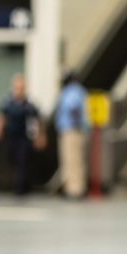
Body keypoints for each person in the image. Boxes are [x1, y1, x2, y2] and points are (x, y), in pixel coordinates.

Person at [0, 73, 43, 196]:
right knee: (12, 158)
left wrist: (40, 136)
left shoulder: (29, 105)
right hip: (11, 136)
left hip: (23, 137)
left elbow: (38, 120)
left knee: (22, 160)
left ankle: (21, 187)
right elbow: (1, 117)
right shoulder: (7, 103)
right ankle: (18, 183)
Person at [55, 70, 89, 199]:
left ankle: (76, 189)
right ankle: (70, 187)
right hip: (70, 130)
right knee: (70, 160)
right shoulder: (76, 90)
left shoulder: (73, 90)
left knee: (74, 160)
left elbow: (73, 108)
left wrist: (75, 126)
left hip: (72, 130)